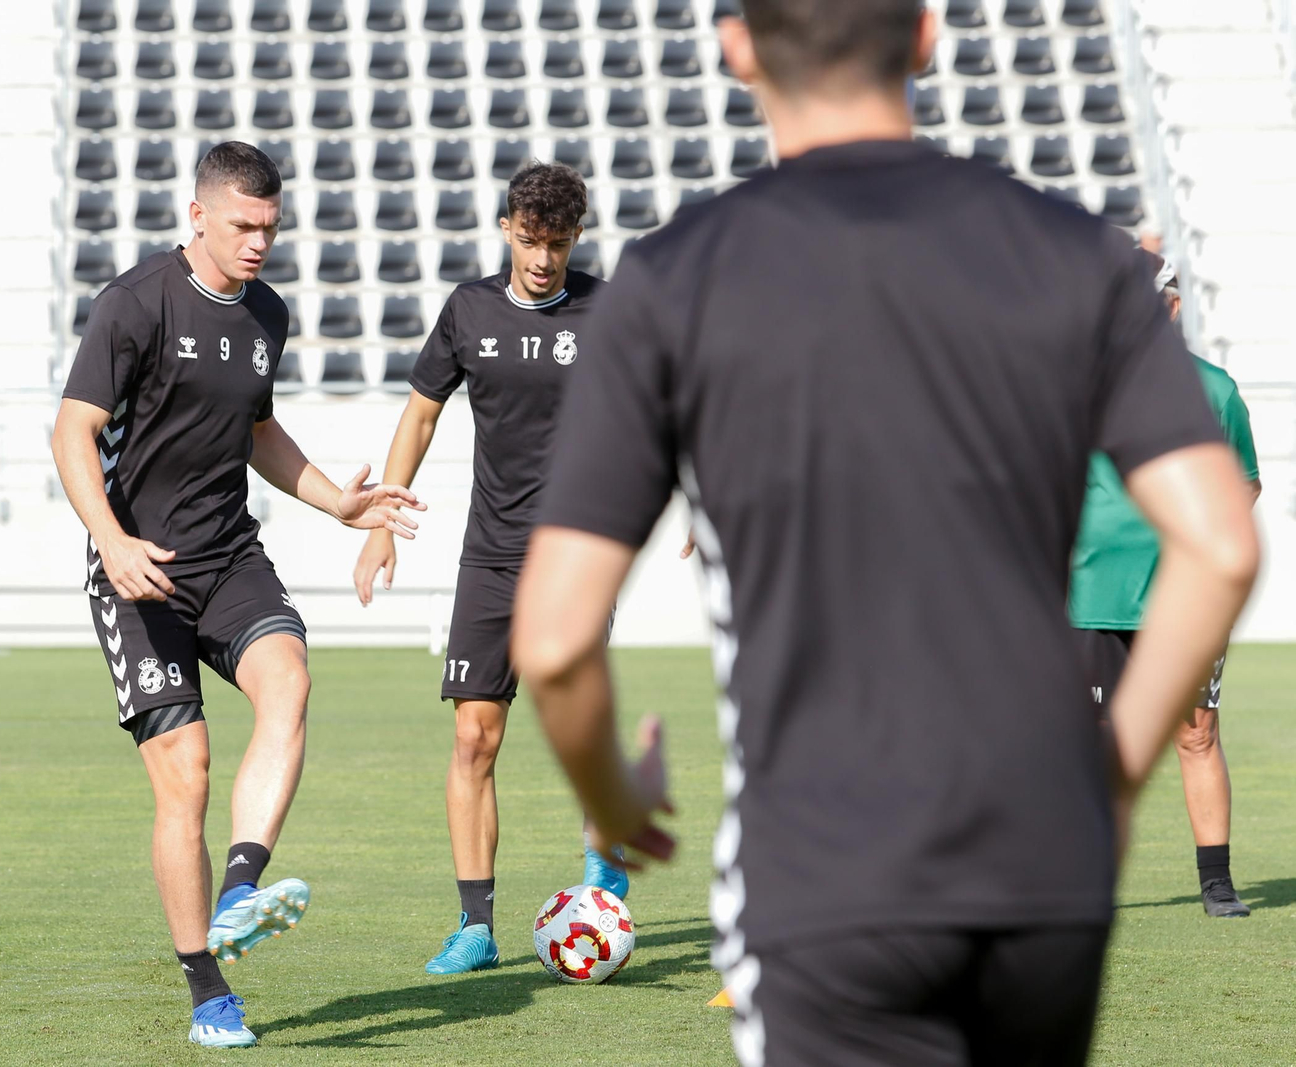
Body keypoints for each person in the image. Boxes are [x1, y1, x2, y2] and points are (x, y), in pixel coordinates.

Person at [509, 3, 1261, 1065]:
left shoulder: (678, 276)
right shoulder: (1069, 251)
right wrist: (1115, 769)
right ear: (923, 36)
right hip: (1042, 860)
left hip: (827, 866)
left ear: (736, 48)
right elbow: (1222, 541)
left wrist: (612, 799)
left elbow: (550, 635)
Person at [51, 141, 424, 1049]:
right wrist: (111, 538)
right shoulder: (134, 303)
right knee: (186, 775)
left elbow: (256, 426)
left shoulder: (266, 312)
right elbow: (72, 430)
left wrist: (338, 499)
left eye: (271, 227)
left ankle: (241, 889)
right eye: (245, 225)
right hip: (138, 569)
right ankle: (207, 985)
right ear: (199, 215)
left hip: (227, 556)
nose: (260, 242)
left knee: (289, 679)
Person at [351, 162, 623, 975]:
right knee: (474, 735)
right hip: (493, 556)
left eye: (561, 243)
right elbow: (423, 410)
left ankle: (602, 885)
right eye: (533, 240)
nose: (545, 260)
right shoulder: (468, 310)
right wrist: (383, 520)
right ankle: (475, 924)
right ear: (508, 227)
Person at [1071, 253, 1261, 918]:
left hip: (1182, 596)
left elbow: (1243, 484)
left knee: (1197, 732)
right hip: (1089, 593)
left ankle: (1217, 882)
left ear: (1172, 307)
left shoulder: (1214, 390)